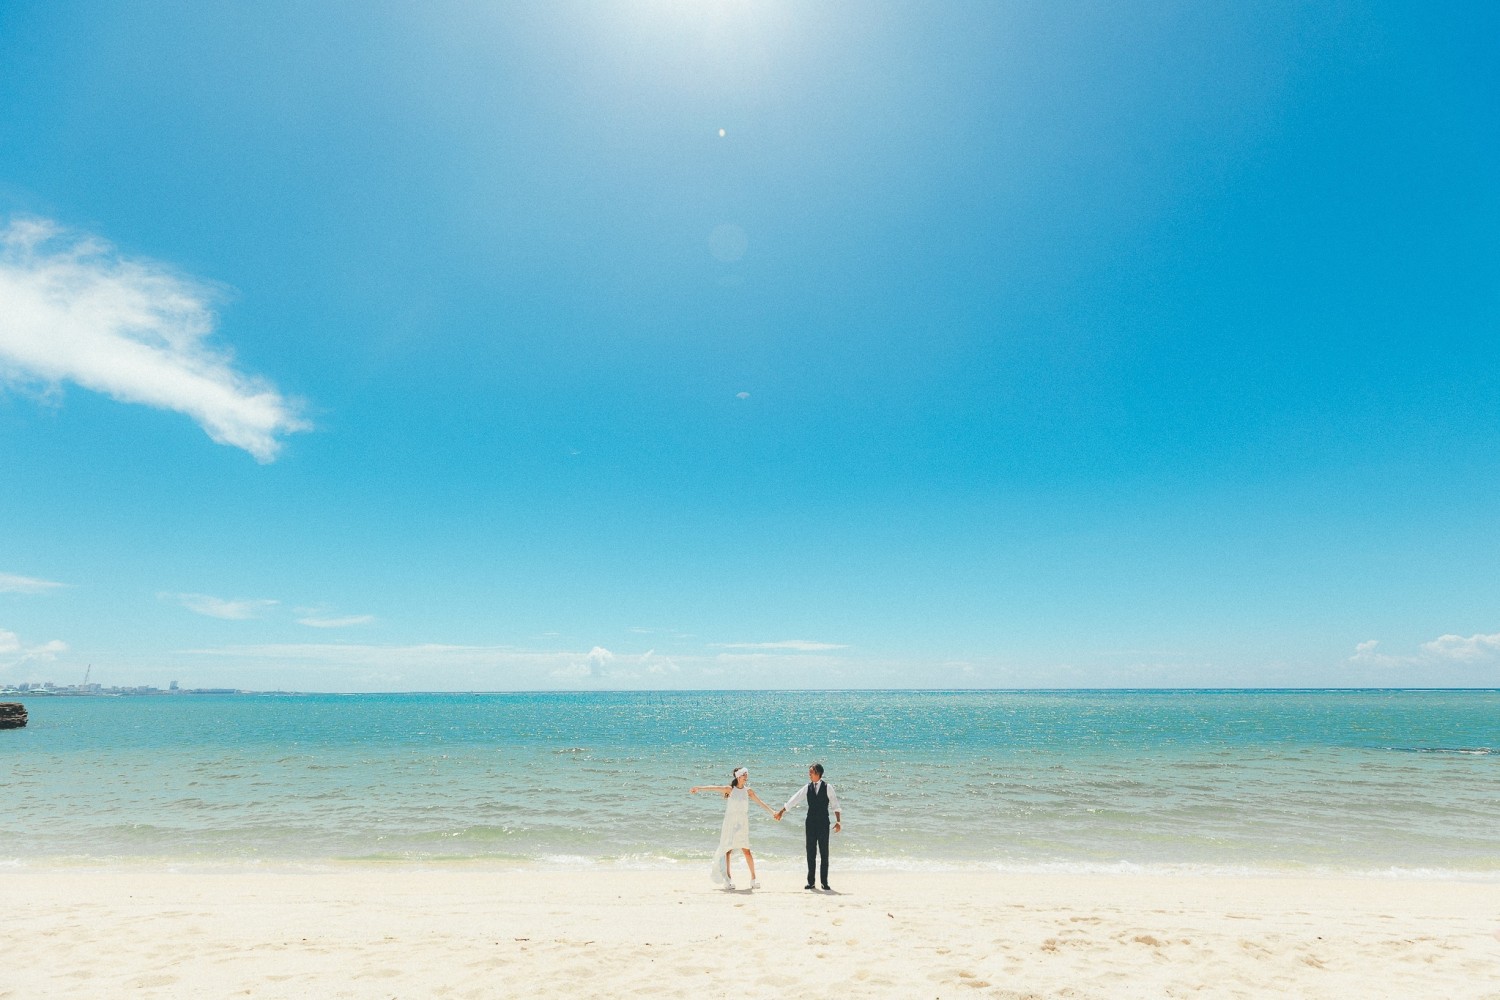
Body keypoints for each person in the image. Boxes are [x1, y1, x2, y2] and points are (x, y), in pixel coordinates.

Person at [690, 766, 776, 890]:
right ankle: (728, 880)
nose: (746, 776)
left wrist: (772, 811)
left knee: (746, 850)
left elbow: (760, 802)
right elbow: (714, 788)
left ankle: (753, 879)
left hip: (742, 823)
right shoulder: (730, 789)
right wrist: (698, 788)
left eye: (747, 774)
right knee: (727, 850)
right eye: (744, 774)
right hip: (730, 823)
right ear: (738, 776)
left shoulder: (748, 791)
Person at [774, 762, 842, 891]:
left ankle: (824, 882)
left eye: (811, 772)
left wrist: (838, 822)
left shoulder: (828, 787)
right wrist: (781, 811)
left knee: (824, 853)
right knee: (810, 852)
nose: (809, 774)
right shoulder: (807, 787)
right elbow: (794, 799)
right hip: (810, 823)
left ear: (818, 773)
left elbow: (835, 805)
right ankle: (811, 882)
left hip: (823, 823)